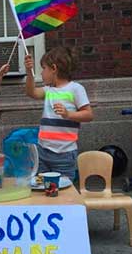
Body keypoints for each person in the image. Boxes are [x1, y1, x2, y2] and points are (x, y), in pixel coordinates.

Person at [24, 47, 93, 180]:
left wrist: (68, 114)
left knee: (65, 192)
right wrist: (28, 71)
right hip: (43, 151)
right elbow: (31, 92)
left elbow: (89, 114)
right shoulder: (48, 90)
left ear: (54, 69)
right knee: (43, 188)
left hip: (65, 154)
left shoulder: (76, 89)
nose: (42, 73)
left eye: (43, 68)